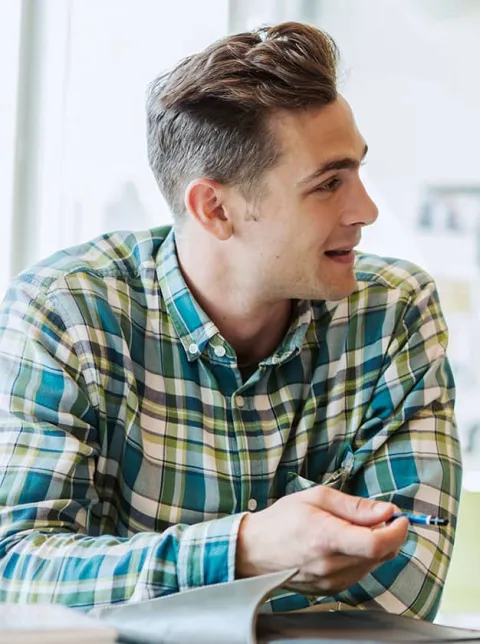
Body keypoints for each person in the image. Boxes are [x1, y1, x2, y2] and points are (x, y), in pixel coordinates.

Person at [0, 22, 462, 619]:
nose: (366, 210)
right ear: (215, 208)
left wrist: (141, 591)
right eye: (328, 184)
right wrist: (242, 550)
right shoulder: (66, 312)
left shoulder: (395, 312)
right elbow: (15, 573)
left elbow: (404, 586)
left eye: (358, 172)